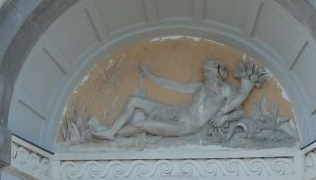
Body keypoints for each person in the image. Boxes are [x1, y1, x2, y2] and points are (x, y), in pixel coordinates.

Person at [90, 57, 266, 140]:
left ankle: (114, 136)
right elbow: (172, 85)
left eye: (209, 69)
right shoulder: (200, 87)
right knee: (135, 100)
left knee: (141, 126)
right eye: (205, 70)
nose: (205, 72)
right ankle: (110, 130)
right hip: (175, 112)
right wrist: (150, 75)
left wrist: (224, 117)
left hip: (186, 125)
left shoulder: (225, 90)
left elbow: (240, 110)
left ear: (219, 72)